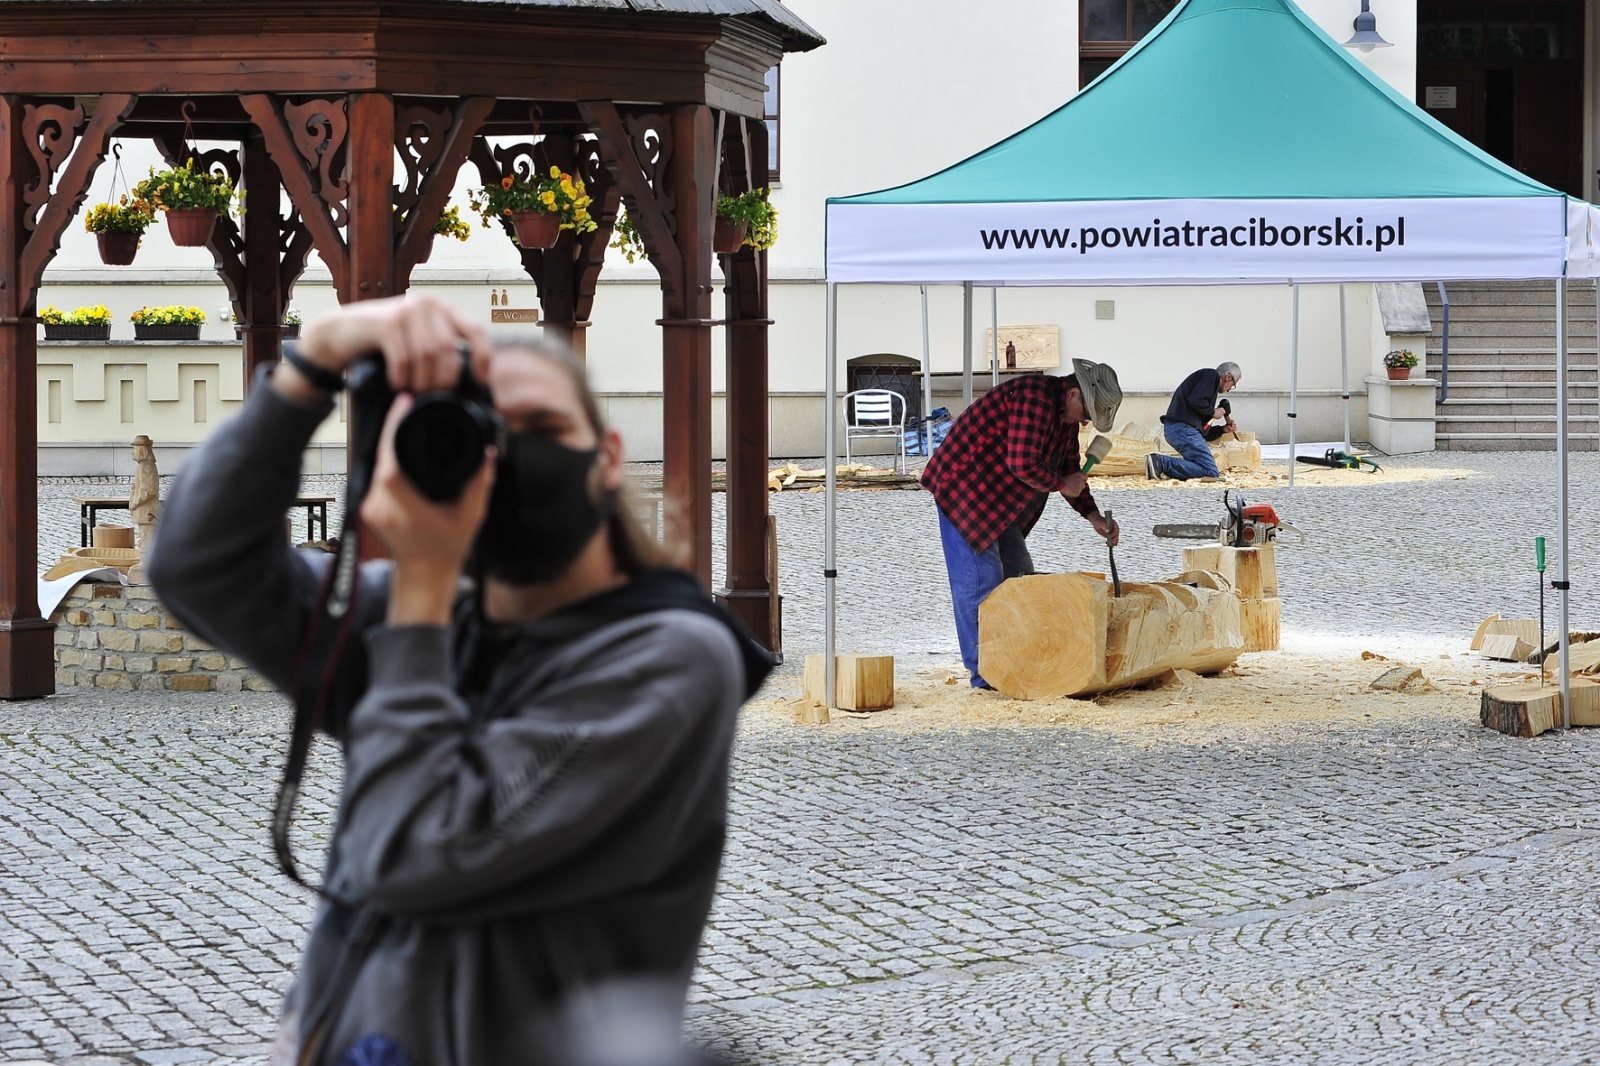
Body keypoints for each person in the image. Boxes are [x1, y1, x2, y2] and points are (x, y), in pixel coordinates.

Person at [149, 294, 773, 1066]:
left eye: (540, 431)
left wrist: (420, 591)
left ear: (608, 457)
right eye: (482, 432)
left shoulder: (668, 660)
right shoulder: (430, 618)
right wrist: (310, 370)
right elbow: (197, 568)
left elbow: (411, 855)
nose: (507, 461)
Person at [920, 359, 1122, 690]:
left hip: (1000, 500)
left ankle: (1016, 660)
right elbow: (1022, 462)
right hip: (965, 490)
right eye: (1087, 413)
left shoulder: (1065, 418)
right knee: (980, 584)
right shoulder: (1034, 397)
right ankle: (985, 677)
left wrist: (1093, 516)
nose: (1086, 422)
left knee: (1020, 580)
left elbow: (1069, 468)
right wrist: (1060, 483)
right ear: (1073, 393)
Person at [1145, 361, 1242, 481]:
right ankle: (1161, 462)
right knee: (1210, 472)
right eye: (1233, 385)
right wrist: (1213, 412)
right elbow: (1196, 400)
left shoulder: (1206, 391)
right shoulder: (1211, 375)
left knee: (1203, 469)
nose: (1228, 390)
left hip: (1178, 430)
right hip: (1183, 428)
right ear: (1228, 377)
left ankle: (1159, 465)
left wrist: (1223, 429)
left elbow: (1203, 432)